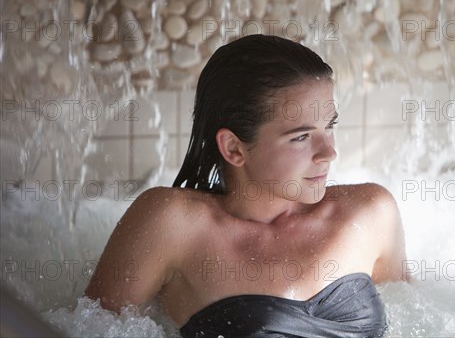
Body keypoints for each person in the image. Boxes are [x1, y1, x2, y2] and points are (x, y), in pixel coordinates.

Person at [85, 34, 407, 337]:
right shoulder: (171, 226)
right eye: (301, 137)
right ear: (234, 148)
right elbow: (87, 328)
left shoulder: (371, 213)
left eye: (329, 126)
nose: (329, 152)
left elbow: (417, 317)